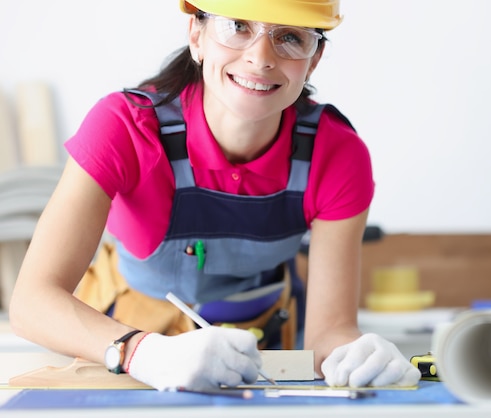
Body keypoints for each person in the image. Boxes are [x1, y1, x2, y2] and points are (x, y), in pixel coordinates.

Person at [10, 0, 420, 392]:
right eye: (237, 26)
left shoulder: (337, 155)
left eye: (290, 37)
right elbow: (31, 303)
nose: (260, 58)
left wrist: (354, 355)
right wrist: (145, 353)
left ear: (313, 59)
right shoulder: (124, 127)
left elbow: (330, 334)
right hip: (124, 336)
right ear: (196, 34)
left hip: (260, 341)